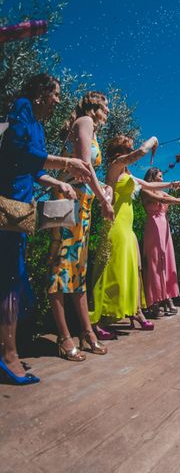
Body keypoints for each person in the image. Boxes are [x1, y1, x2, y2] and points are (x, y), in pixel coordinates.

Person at [0, 74, 92, 384]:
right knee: (9, 280)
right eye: (55, 94)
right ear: (41, 92)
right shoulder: (22, 109)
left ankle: (8, 350)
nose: (58, 100)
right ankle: (8, 355)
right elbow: (17, 153)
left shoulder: (37, 126)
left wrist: (57, 181)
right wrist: (66, 164)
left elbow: (33, 168)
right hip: (7, 204)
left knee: (12, 276)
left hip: (20, 210)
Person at [91, 135, 180, 330]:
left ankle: (135, 311)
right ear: (122, 150)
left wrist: (171, 184)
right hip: (115, 225)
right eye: (130, 147)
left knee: (134, 269)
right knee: (111, 269)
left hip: (127, 227)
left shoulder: (126, 173)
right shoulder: (116, 165)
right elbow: (142, 152)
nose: (133, 150)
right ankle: (98, 318)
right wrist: (153, 140)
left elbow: (148, 185)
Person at [48, 92, 115, 361]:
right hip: (67, 201)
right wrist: (104, 200)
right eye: (106, 107)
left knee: (78, 270)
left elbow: (90, 173)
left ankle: (87, 333)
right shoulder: (85, 121)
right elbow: (86, 166)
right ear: (94, 107)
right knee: (60, 267)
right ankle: (64, 337)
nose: (108, 112)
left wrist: (103, 191)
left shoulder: (90, 129)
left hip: (80, 202)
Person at [141, 167, 180, 318]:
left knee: (166, 263)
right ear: (152, 178)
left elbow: (169, 198)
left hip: (164, 227)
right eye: (160, 176)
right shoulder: (145, 191)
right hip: (153, 227)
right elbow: (163, 200)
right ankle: (155, 302)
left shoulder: (161, 191)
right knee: (155, 264)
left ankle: (167, 298)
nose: (162, 179)